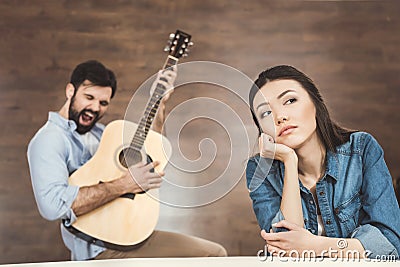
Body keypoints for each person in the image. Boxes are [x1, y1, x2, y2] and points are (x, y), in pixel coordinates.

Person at [27, 60, 227, 261]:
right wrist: (124, 184)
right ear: (70, 91)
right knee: (213, 255)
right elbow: (52, 206)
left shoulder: (103, 134)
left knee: (215, 253)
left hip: (132, 236)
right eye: (89, 97)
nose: (95, 107)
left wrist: (159, 102)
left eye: (103, 103)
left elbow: (150, 148)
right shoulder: (49, 140)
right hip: (99, 248)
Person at [246, 65, 399, 259]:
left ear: (316, 103)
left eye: (290, 100)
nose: (280, 117)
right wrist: (289, 161)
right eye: (266, 113)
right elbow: (285, 250)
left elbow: (390, 244)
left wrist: (316, 245)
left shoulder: (362, 150)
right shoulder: (260, 170)